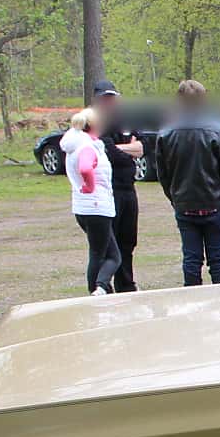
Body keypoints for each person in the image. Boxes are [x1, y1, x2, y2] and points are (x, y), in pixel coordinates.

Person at [155, 79, 220, 285]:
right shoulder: (216, 129)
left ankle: (192, 299)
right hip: (214, 204)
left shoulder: (166, 132)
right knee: (217, 259)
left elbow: (163, 174)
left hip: (186, 204)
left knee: (191, 259)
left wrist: (175, 198)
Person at [59, 107, 120, 295]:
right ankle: (99, 288)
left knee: (108, 254)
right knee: (106, 256)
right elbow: (85, 168)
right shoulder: (86, 146)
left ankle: (101, 289)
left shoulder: (78, 143)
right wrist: (90, 185)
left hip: (84, 207)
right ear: (93, 125)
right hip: (95, 207)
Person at [91, 79, 144, 292]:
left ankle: (127, 283)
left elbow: (143, 148)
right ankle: (101, 285)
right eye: (105, 98)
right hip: (107, 190)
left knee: (128, 240)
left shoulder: (126, 119)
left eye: (112, 98)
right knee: (107, 244)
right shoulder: (94, 124)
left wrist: (124, 148)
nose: (109, 103)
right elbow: (109, 153)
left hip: (128, 187)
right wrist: (129, 148)